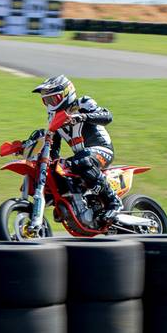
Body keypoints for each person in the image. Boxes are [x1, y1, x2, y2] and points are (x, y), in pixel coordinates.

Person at [32, 75, 122, 223]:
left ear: (66, 93)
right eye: (46, 100)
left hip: (102, 150)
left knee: (83, 160)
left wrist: (81, 117)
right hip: (81, 156)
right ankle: (72, 203)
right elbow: (54, 149)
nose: (49, 103)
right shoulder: (54, 119)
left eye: (52, 99)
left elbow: (107, 116)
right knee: (57, 169)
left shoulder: (83, 103)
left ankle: (114, 202)